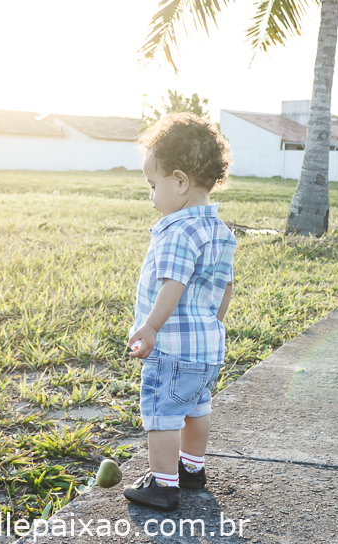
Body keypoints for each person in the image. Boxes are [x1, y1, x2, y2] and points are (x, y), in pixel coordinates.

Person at [124, 113, 236, 512]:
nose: (152, 196)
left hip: (171, 345)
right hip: (206, 347)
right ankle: (192, 468)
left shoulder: (177, 229)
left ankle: (164, 485)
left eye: (154, 186)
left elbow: (173, 283)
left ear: (181, 181)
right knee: (196, 407)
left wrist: (151, 326)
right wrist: (213, 325)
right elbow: (225, 288)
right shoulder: (220, 231)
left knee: (163, 413)